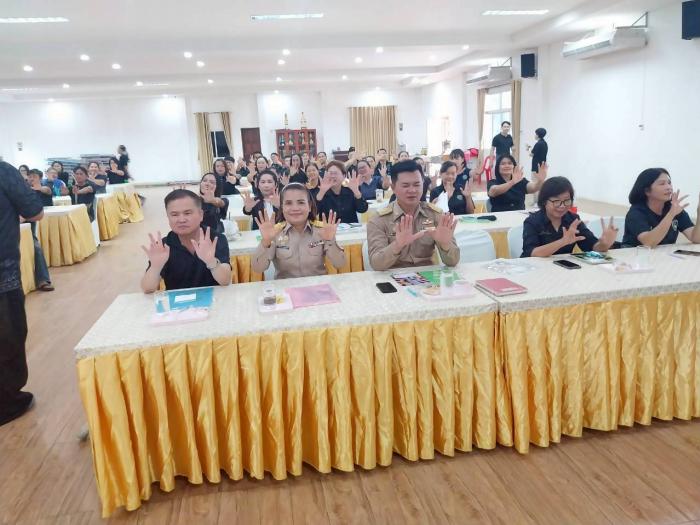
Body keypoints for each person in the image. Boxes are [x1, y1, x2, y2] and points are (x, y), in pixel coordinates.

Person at [0, 162, 44, 426]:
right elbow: (35, 211)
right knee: (8, 336)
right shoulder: (3, 172)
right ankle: (7, 402)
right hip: (3, 274)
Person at [367, 159, 460, 270]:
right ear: (393, 188)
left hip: (428, 277)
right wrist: (397, 245)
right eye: (405, 186)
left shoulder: (434, 215)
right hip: (392, 276)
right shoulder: (379, 220)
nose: (412, 190)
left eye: (417, 184)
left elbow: (453, 262)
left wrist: (445, 244)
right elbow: (376, 264)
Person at [140, 189, 231, 292]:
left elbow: (225, 281)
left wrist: (211, 262)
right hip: (178, 301)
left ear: (201, 215)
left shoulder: (215, 239)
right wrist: (155, 267)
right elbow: (147, 288)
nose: (181, 220)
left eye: (187, 213)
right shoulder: (164, 246)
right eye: (174, 215)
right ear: (168, 217)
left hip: (213, 299)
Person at [252, 184, 346, 278]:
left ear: (309, 206)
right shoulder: (275, 233)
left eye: (301, 202)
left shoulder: (322, 230)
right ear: (282, 207)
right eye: (288, 203)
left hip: (317, 285)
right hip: (286, 286)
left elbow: (340, 264)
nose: (295, 208)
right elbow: (258, 268)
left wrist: (330, 240)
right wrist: (266, 242)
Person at [521, 177, 618, 257]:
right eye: (556, 201)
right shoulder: (533, 221)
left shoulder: (573, 220)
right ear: (544, 201)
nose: (562, 206)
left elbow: (593, 247)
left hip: (563, 269)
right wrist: (562, 242)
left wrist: (604, 244)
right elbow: (532, 253)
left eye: (567, 201)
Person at [622, 168, 700, 247]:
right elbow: (649, 243)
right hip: (633, 254)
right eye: (662, 184)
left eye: (669, 183)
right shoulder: (636, 212)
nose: (669, 187)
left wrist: (699, 212)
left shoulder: (673, 208)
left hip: (664, 254)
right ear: (647, 191)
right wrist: (671, 214)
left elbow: (696, 238)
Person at [24, 170, 55, 291]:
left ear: (40, 178)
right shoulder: (23, 190)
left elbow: (47, 190)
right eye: (29, 176)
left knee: (35, 246)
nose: (31, 179)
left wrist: (37, 188)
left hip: (30, 222)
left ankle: (43, 279)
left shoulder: (45, 187)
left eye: (34, 177)